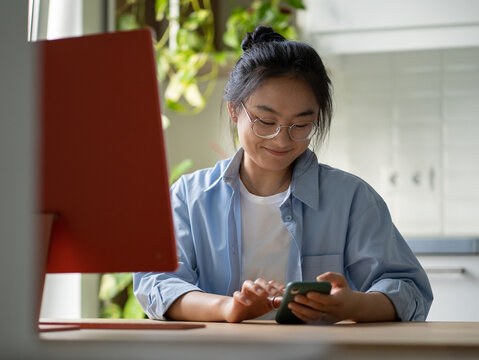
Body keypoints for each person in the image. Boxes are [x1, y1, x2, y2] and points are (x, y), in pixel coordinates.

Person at [133, 26, 433, 324]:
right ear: (234, 110)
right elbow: (156, 283)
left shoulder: (352, 198)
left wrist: (352, 305)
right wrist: (227, 309)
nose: (281, 140)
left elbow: (410, 291)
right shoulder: (189, 196)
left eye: (301, 125)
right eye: (266, 121)